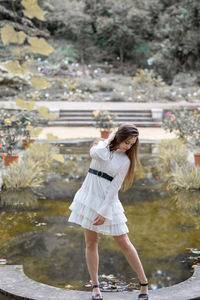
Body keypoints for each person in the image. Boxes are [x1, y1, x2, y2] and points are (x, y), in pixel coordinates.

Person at [68, 123, 149, 300]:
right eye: (126, 142)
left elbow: (114, 189)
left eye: (132, 144)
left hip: (108, 203)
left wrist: (104, 212)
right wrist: (112, 138)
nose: (128, 146)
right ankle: (95, 287)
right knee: (91, 242)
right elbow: (97, 154)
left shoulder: (125, 161)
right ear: (118, 136)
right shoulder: (100, 146)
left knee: (124, 242)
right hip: (88, 199)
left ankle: (144, 283)